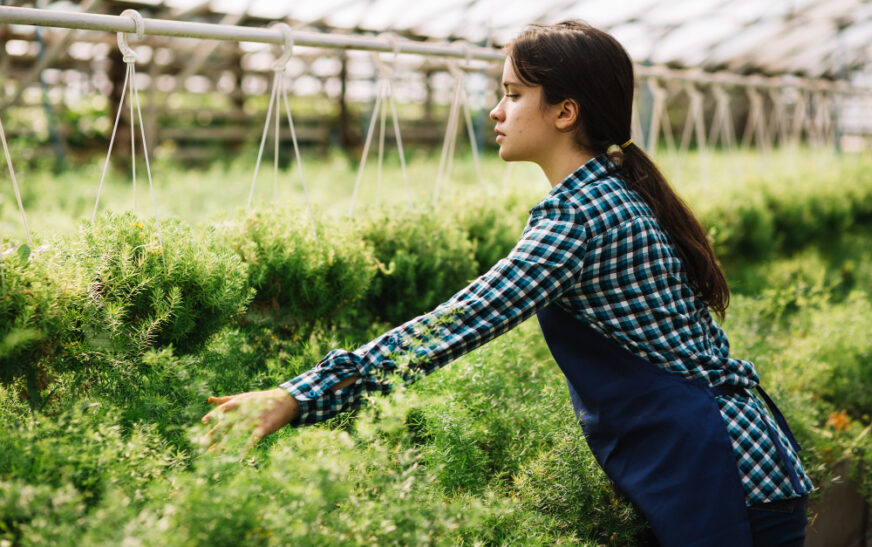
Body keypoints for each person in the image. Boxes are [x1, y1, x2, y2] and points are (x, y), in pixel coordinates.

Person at [202, 20, 814, 546]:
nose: (496, 111)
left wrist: (300, 396)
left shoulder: (577, 214)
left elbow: (456, 325)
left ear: (565, 112)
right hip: (742, 460)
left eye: (514, 94)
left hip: (723, 472)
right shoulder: (615, 186)